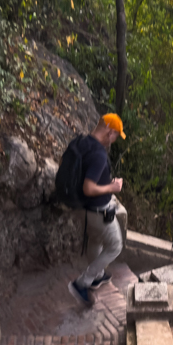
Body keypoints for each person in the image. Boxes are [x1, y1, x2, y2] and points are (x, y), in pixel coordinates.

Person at [67, 113, 127, 307]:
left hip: (80, 207)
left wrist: (105, 183)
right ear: (109, 132)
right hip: (95, 211)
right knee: (115, 245)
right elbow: (89, 188)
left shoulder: (83, 142)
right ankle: (82, 283)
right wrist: (112, 187)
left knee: (95, 239)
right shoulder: (99, 155)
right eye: (116, 135)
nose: (116, 140)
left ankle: (98, 275)